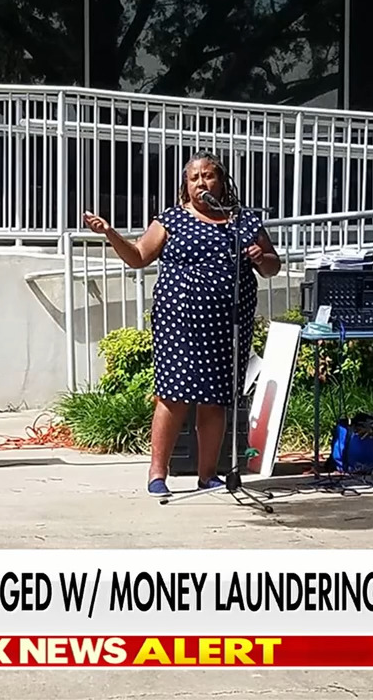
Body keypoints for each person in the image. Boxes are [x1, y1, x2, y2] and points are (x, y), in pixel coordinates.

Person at [82, 151, 282, 497]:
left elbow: (271, 267)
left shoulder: (243, 222)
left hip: (227, 324)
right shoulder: (172, 219)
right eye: (195, 178)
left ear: (222, 182)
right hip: (179, 322)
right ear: (185, 186)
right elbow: (138, 257)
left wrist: (260, 256)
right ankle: (157, 474)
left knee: (216, 398)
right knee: (173, 395)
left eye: (209, 176)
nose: (202, 182)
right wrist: (110, 233)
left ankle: (208, 475)